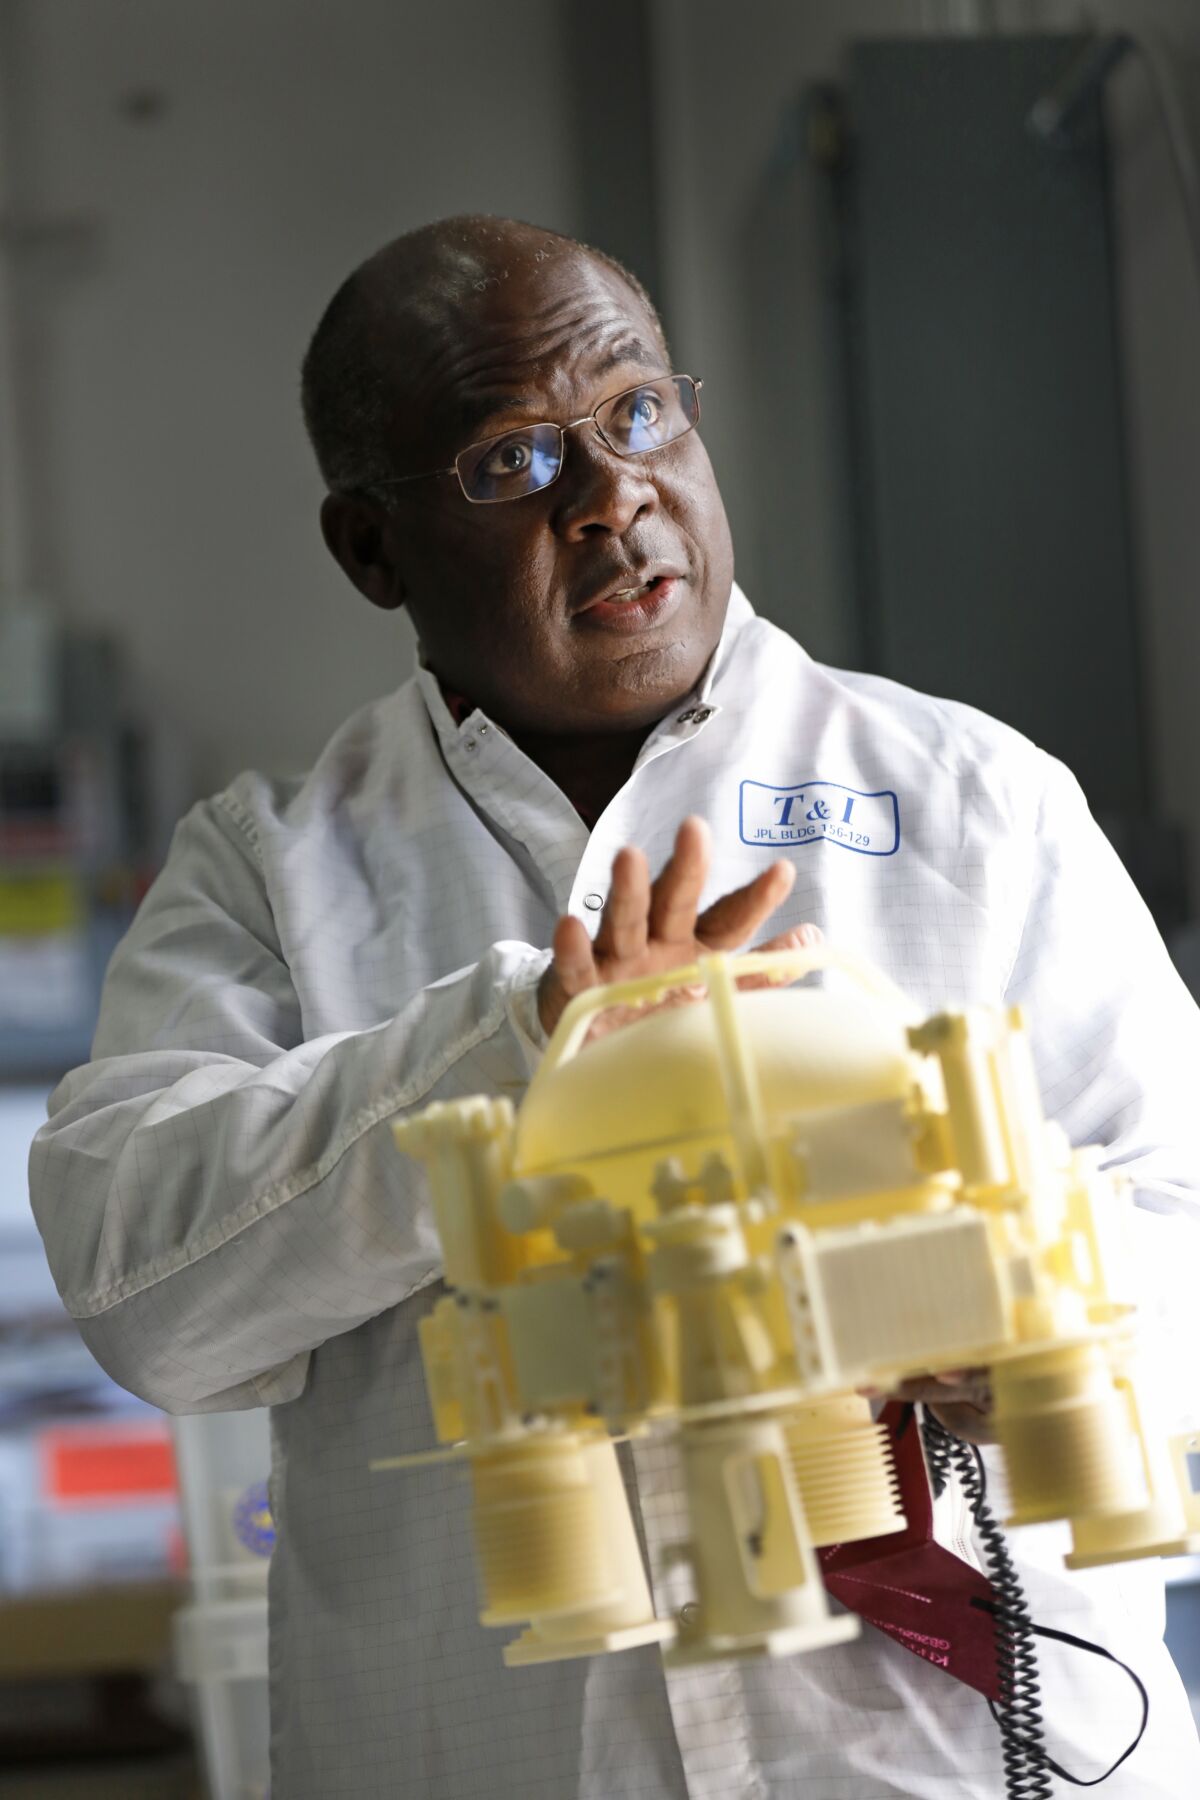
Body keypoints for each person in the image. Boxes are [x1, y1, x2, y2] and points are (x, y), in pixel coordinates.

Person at [29, 216, 1200, 1799]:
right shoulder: (274, 869)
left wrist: (1029, 1313)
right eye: (514, 460)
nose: (612, 499)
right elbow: (146, 1297)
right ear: (370, 548)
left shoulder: (973, 801)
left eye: (639, 413)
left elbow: (1183, 1223)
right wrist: (513, 1063)